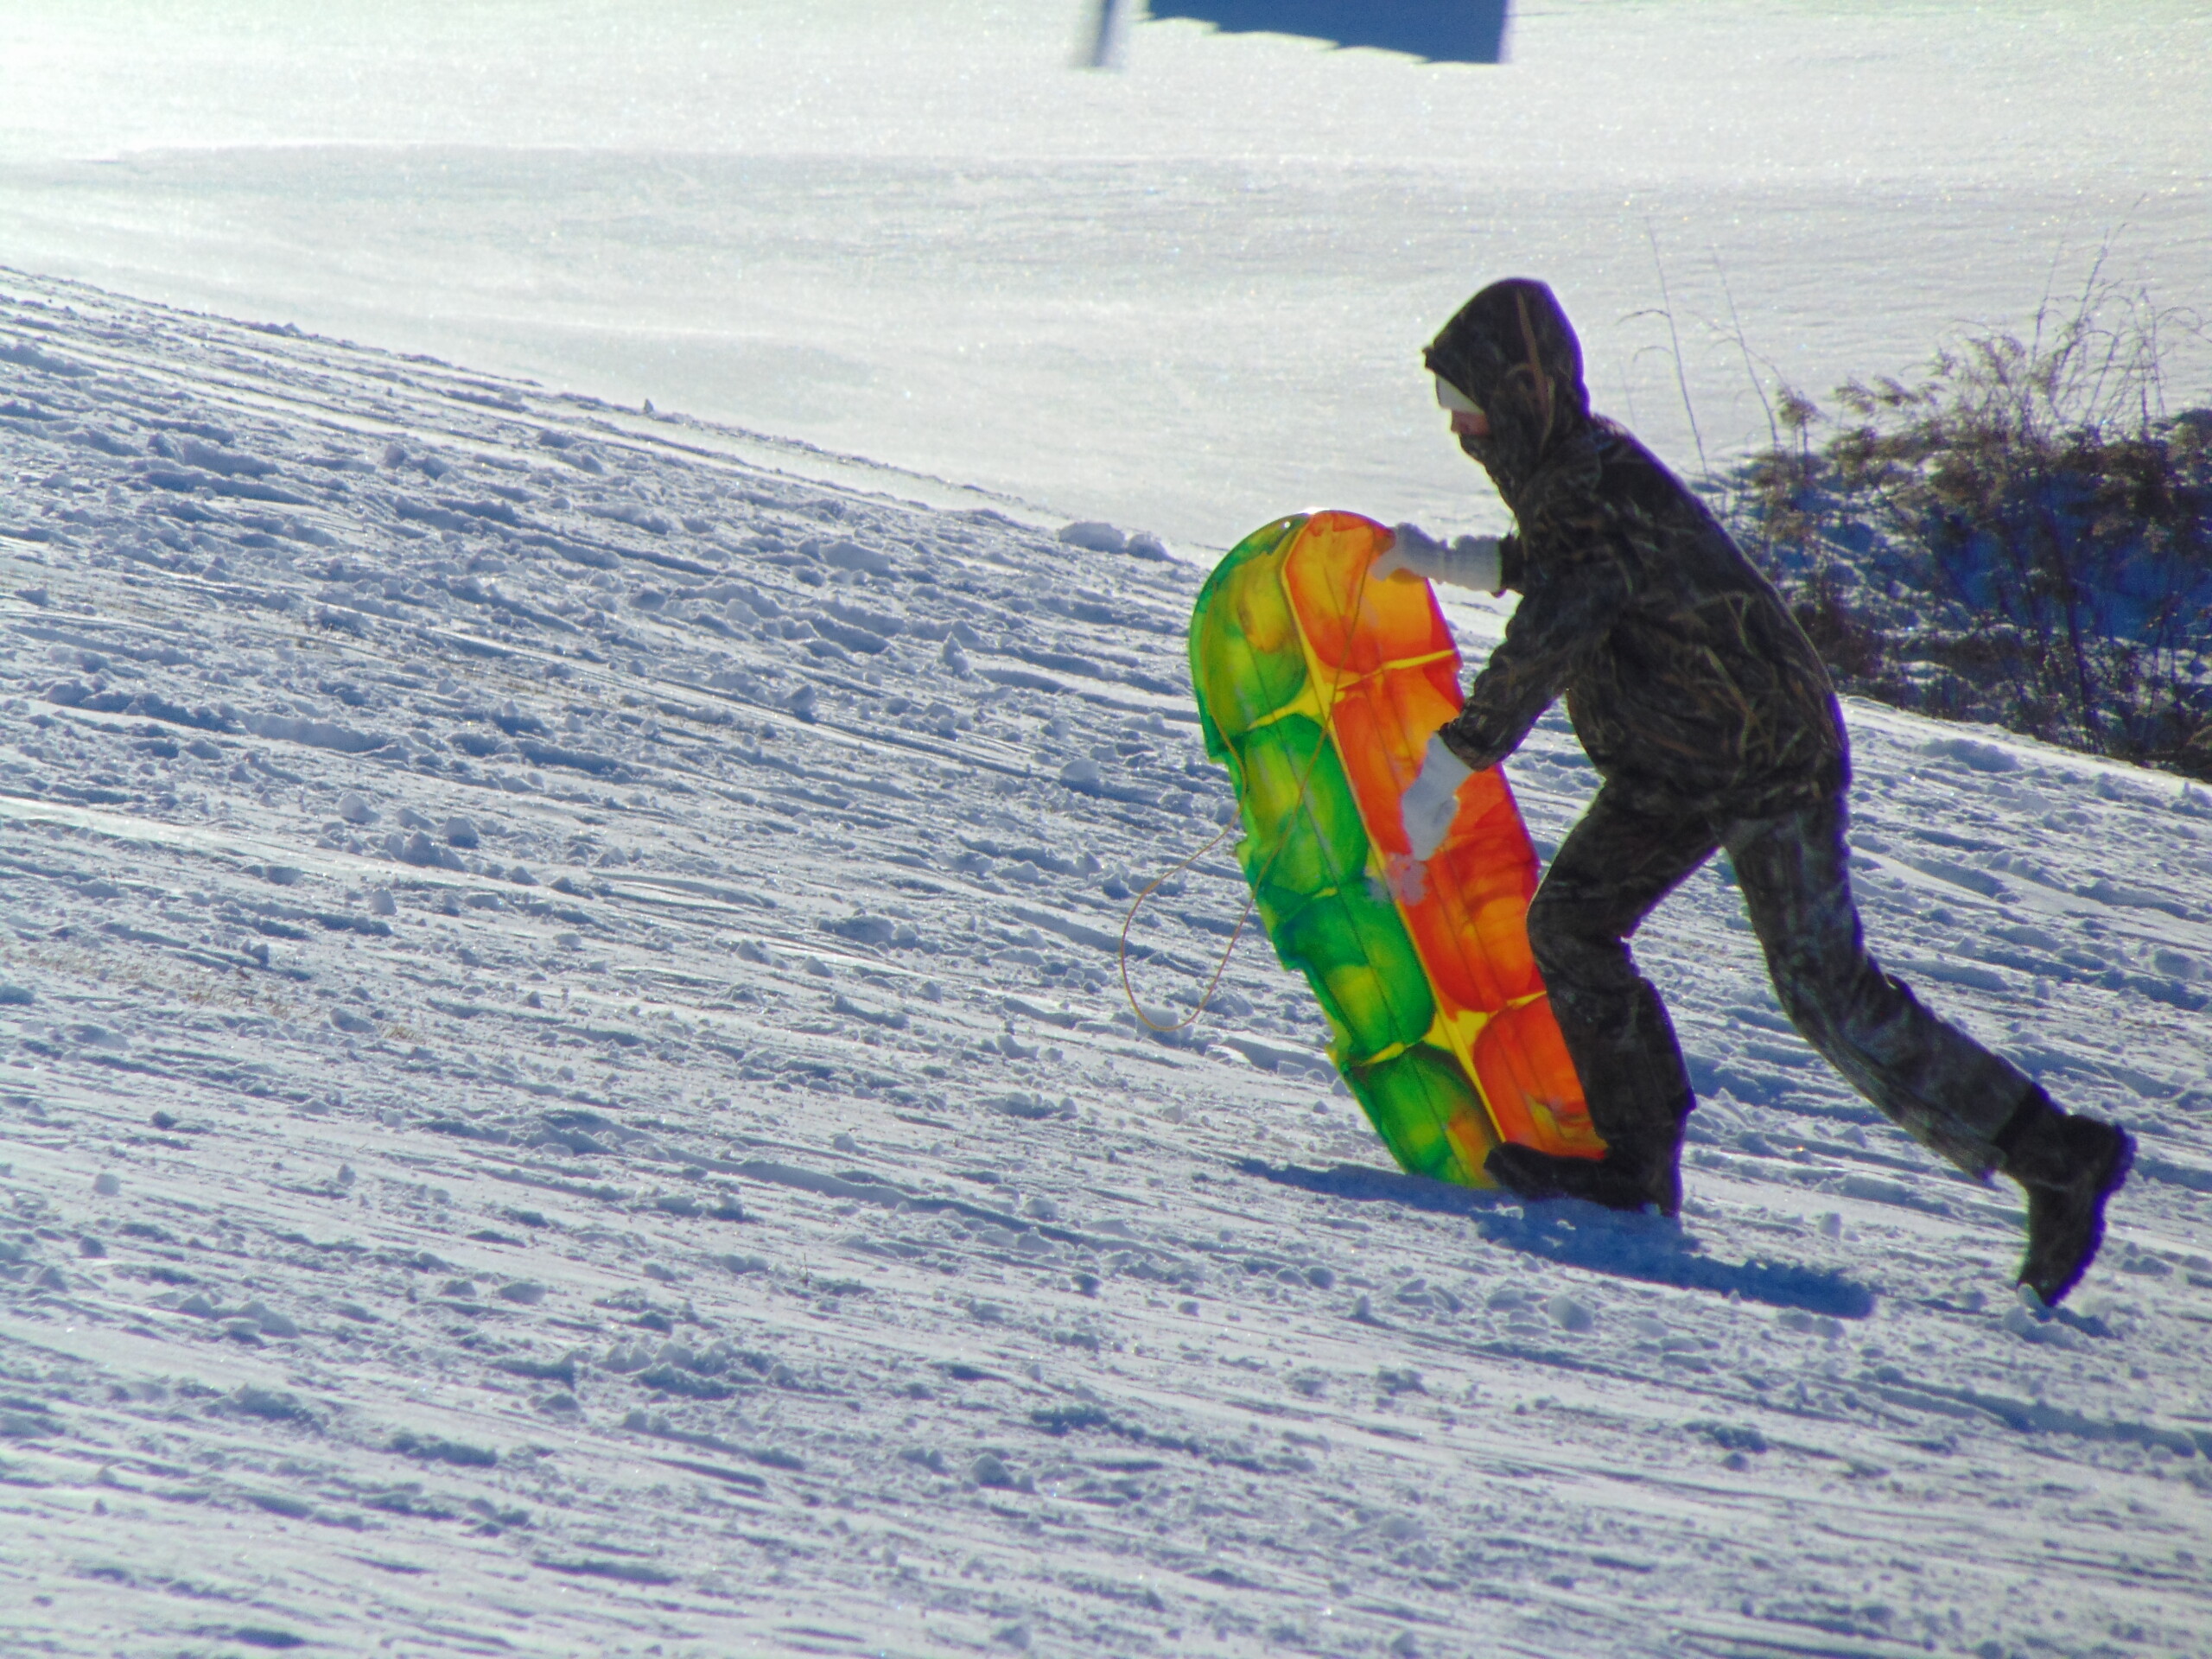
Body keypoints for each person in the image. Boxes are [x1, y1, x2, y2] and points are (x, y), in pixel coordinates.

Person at [1379, 276, 2133, 1306]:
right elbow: (1571, 568)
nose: (1457, 426)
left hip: (1764, 755)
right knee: (1570, 926)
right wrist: (1448, 561)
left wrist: (1452, 763)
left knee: (1824, 991)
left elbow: (1564, 617)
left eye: (1462, 401)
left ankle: (2056, 1159)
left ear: (1523, 391)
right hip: (1678, 759)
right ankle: (1634, 1172)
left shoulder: (1582, 482)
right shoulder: (1572, 476)